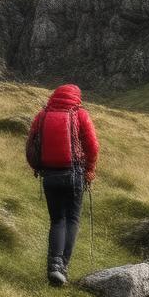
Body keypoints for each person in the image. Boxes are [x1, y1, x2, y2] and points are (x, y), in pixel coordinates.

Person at [25, 84, 99, 286]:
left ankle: (53, 266)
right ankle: (62, 268)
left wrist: (38, 167)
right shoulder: (80, 114)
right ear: (76, 98)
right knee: (72, 220)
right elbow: (93, 146)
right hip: (74, 174)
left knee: (57, 220)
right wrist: (90, 170)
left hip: (49, 176)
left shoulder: (42, 115)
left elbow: (30, 145)